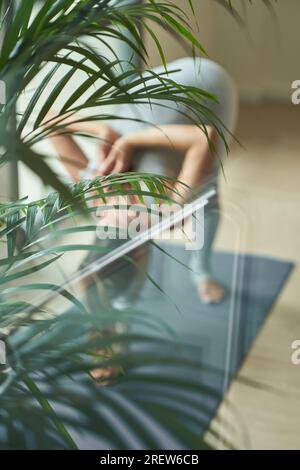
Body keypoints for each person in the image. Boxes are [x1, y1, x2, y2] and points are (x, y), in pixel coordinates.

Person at [47, 57, 238, 305]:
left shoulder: (161, 206)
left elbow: (206, 137)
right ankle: (128, 299)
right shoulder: (94, 195)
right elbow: (50, 120)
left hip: (210, 80)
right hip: (157, 87)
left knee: (205, 190)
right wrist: (113, 135)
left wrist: (125, 139)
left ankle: (201, 272)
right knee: (195, 177)